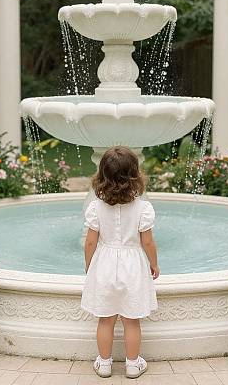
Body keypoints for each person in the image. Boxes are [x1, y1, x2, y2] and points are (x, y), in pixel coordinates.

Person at [81, 146, 159, 379]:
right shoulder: (143, 208)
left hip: (104, 263)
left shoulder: (95, 207)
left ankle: (104, 364)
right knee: (131, 320)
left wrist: (89, 267)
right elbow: (147, 242)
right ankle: (133, 365)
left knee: (105, 319)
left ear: (102, 176)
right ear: (135, 175)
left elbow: (90, 243)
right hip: (133, 264)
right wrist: (154, 263)